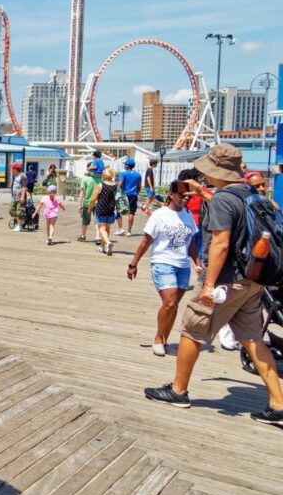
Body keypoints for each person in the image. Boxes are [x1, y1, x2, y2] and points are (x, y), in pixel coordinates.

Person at [144, 144, 283, 427]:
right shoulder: (254, 196)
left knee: (192, 329)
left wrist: (208, 285)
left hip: (227, 281)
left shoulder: (222, 200)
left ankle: (178, 390)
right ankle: (278, 403)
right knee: (252, 338)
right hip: (254, 279)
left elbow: (220, 244)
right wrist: (204, 195)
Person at [127, 180, 202, 356]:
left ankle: (165, 339)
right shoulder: (159, 215)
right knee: (168, 302)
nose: (185, 199)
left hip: (183, 266)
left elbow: (190, 242)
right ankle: (158, 339)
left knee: (174, 305)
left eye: (188, 197)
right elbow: (146, 241)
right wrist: (133, 264)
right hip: (162, 262)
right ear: (171, 194)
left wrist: (198, 262)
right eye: (181, 196)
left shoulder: (187, 215)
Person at [88, 167, 118, 255]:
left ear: (104, 176)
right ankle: (102, 246)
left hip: (101, 209)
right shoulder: (115, 186)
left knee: (101, 228)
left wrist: (90, 208)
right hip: (111, 209)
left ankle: (108, 243)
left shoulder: (100, 185)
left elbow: (93, 199)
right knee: (107, 228)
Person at [116, 158, 143, 236]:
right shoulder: (138, 175)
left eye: (125, 164)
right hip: (133, 195)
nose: (125, 166)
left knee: (119, 210)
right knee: (131, 213)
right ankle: (129, 231)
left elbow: (120, 185)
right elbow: (139, 186)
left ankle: (121, 229)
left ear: (127, 166)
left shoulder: (123, 174)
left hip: (124, 195)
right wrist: (136, 193)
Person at [77, 162, 99, 243]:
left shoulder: (85, 179)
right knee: (97, 220)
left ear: (88, 169)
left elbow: (82, 193)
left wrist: (79, 204)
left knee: (85, 220)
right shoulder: (100, 179)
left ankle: (83, 235)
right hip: (98, 203)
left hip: (87, 203)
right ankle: (98, 237)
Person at [9, 163, 26, 231]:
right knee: (11, 210)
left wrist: (22, 196)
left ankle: (19, 226)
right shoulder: (15, 176)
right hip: (14, 197)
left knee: (19, 212)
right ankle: (21, 221)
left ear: (15, 169)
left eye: (12, 169)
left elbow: (24, 186)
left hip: (20, 197)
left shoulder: (22, 175)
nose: (11, 170)